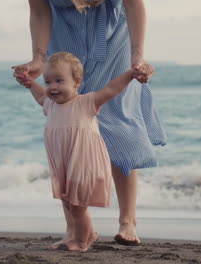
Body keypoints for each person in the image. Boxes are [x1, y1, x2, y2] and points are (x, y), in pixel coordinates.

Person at [12, 0, 166, 246]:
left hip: (113, 36)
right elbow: (39, 9)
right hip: (63, 33)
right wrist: (38, 60)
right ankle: (75, 228)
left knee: (119, 119)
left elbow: (134, 4)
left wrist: (137, 58)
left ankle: (128, 220)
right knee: (69, 124)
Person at [19, 51, 154, 251]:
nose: (52, 87)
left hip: (83, 163)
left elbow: (111, 89)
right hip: (63, 164)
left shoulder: (86, 103)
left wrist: (130, 74)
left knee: (77, 205)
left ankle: (81, 242)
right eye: (48, 82)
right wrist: (29, 81)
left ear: (77, 82)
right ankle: (87, 233)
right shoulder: (50, 104)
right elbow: (39, 94)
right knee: (68, 202)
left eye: (59, 81)